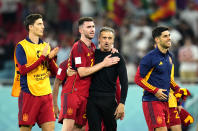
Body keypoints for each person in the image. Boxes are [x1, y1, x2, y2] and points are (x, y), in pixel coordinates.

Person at [57, 17, 120, 131]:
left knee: (79, 128)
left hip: (86, 95)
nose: (92, 29)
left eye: (93, 27)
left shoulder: (93, 47)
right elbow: (82, 72)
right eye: (88, 27)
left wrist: (112, 49)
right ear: (81, 30)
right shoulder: (78, 47)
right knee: (68, 128)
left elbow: (101, 54)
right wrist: (104, 64)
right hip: (73, 92)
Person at [12, 14, 59, 131]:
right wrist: (42, 57)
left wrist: (50, 58)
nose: (43, 26)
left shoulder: (45, 46)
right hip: (29, 94)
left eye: (43, 24)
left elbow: (55, 72)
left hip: (46, 94)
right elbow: (23, 70)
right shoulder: (21, 46)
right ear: (30, 27)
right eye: (39, 24)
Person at [135, 26, 181, 131]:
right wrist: (155, 91)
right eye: (165, 36)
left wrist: (177, 89)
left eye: (169, 35)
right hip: (152, 101)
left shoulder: (170, 57)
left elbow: (167, 79)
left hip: (166, 101)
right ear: (157, 39)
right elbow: (138, 79)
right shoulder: (149, 57)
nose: (169, 38)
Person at [86, 26, 128, 131]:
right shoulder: (91, 55)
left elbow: (124, 82)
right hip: (92, 100)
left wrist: (122, 103)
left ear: (113, 40)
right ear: (99, 39)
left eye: (109, 38)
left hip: (109, 100)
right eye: (104, 38)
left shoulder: (118, 57)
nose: (107, 41)